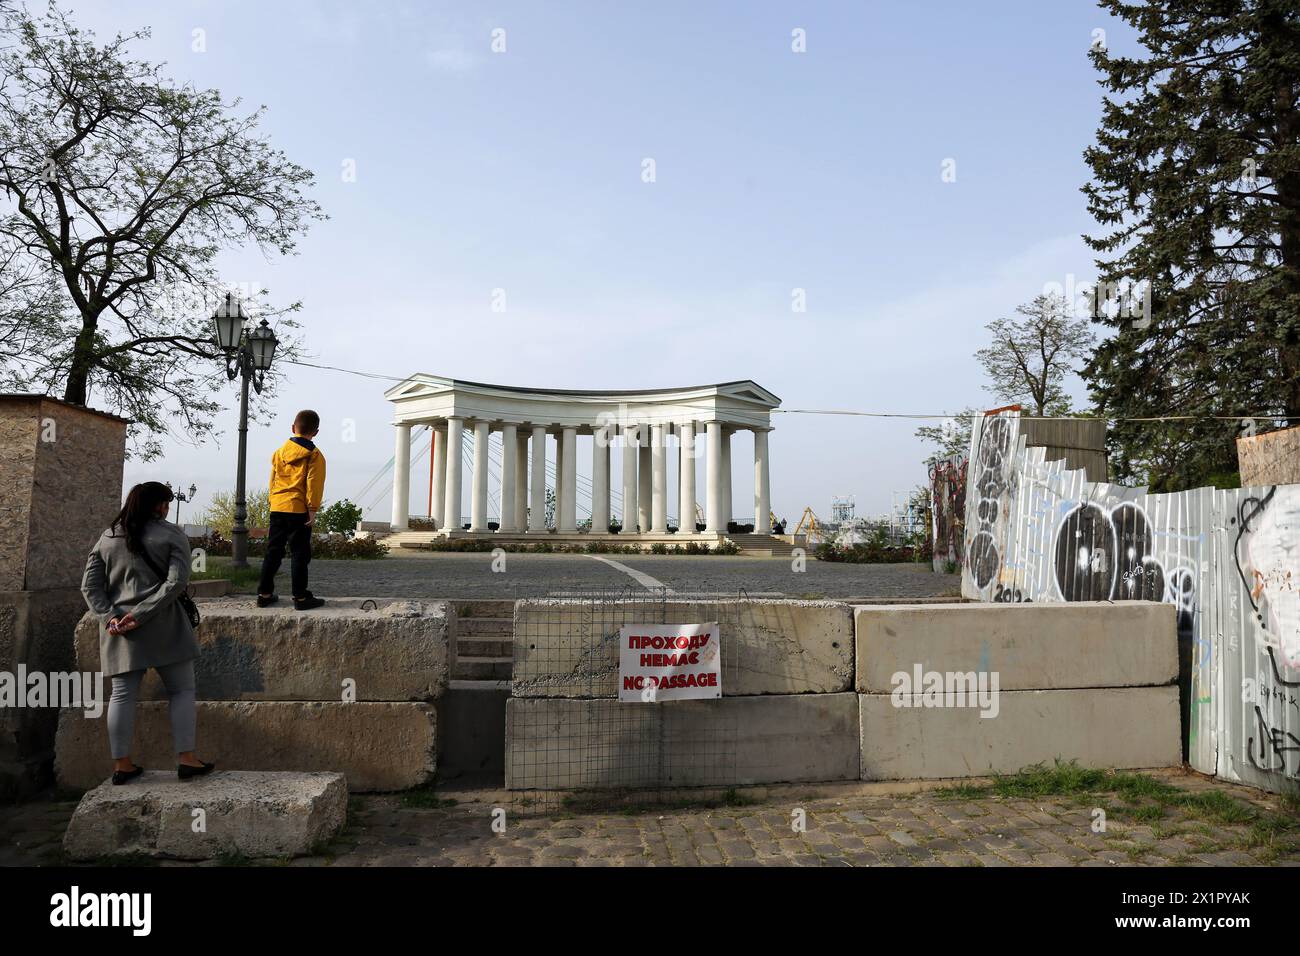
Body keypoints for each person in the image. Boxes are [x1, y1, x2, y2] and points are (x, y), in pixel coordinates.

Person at [82, 481, 214, 785]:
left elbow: (89, 586)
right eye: (166, 502)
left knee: (122, 696)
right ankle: (186, 759)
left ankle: (121, 764)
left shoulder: (108, 536)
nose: (168, 507)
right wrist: (139, 615)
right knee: (181, 691)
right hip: (165, 623)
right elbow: (176, 583)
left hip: (120, 632)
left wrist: (111, 617)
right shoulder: (171, 534)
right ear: (160, 505)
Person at [257, 409, 327, 610]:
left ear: (293, 428)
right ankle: (301, 598)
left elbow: (273, 480)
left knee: (273, 552)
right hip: (298, 509)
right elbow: (314, 483)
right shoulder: (314, 455)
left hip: (278, 506)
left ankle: (264, 594)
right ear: (316, 432)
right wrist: (312, 509)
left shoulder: (279, 453)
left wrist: (274, 501)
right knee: (299, 553)